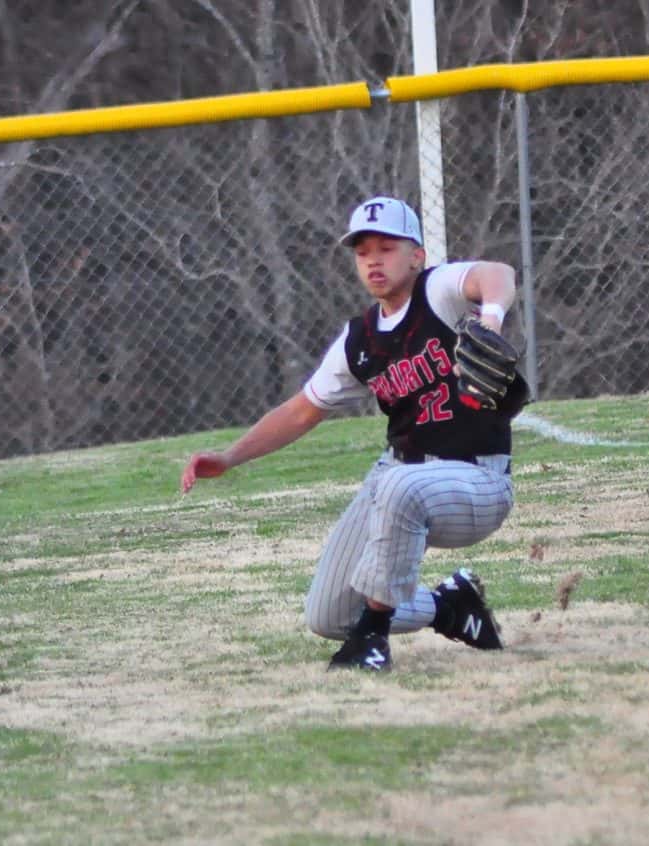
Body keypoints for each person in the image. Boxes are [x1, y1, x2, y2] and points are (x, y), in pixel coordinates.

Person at [180, 196, 528, 671]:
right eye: (363, 252)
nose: (373, 260)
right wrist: (228, 457)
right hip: (399, 476)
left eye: (386, 248)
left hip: (477, 481)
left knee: (400, 486)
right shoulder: (359, 340)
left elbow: (498, 273)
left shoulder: (438, 292)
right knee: (327, 615)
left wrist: (490, 319)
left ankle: (372, 639)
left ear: (417, 256)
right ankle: (450, 607)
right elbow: (300, 411)